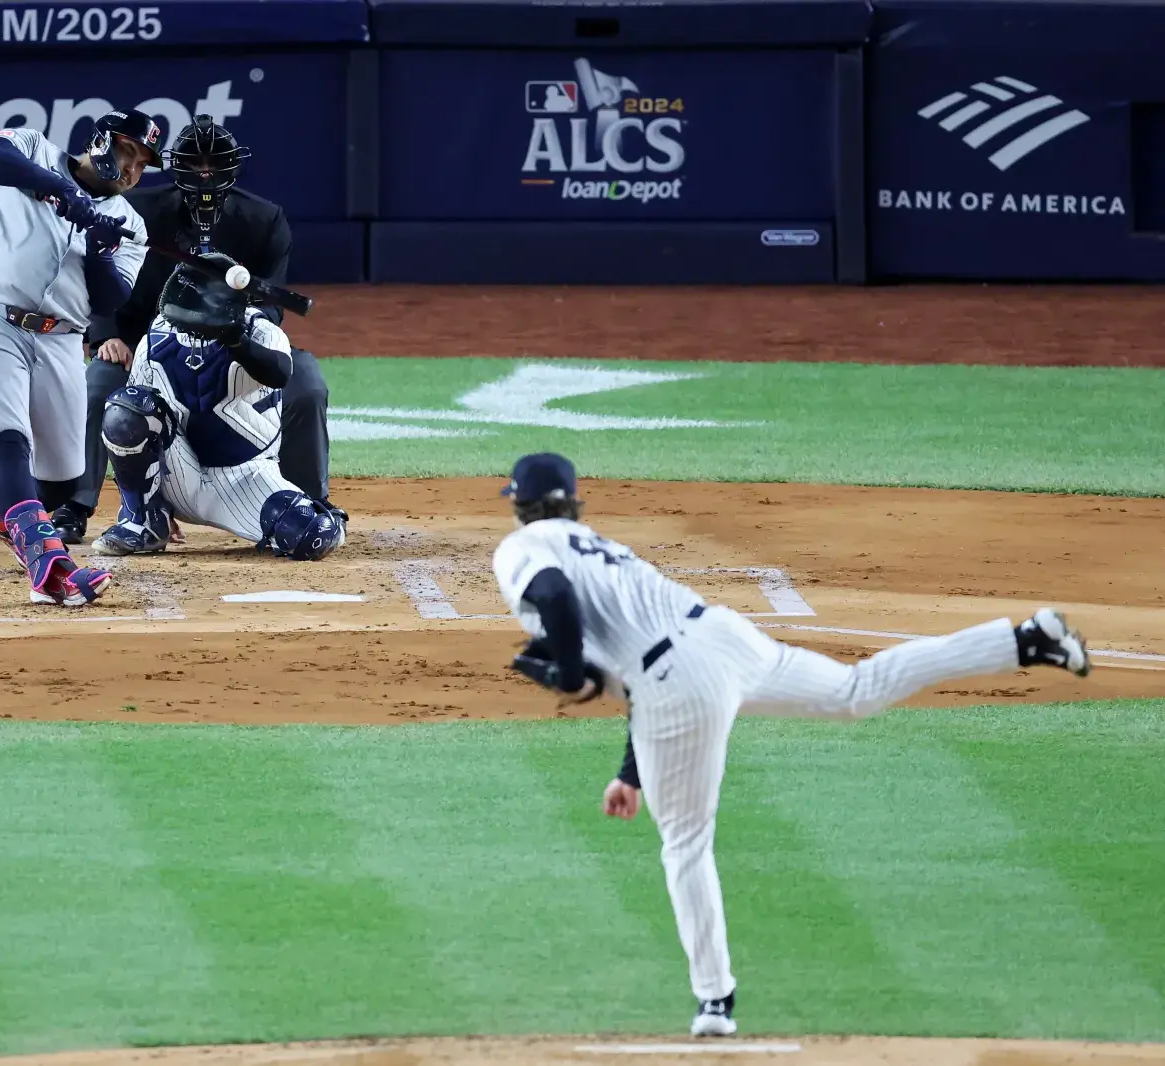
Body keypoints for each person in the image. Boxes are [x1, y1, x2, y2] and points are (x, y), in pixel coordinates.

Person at [492, 452, 1092, 1038]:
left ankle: (715, 999)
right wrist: (633, 771)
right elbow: (634, 662)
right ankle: (1026, 641)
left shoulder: (521, 548)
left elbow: (557, 601)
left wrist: (569, 675)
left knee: (685, 844)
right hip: (727, 641)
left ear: (520, 505)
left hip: (676, 682)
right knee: (856, 690)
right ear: (573, 503)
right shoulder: (598, 546)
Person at [51, 114, 339, 545]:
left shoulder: (264, 220)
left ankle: (310, 497)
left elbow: (271, 310)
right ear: (176, 164)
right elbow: (96, 274)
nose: (205, 172)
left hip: (233, 346)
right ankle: (76, 506)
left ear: (233, 164)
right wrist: (105, 333)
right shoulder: (137, 211)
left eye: (214, 161)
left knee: (307, 384)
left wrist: (237, 338)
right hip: (145, 351)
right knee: (97, 385)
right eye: (195, 161)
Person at [0, 109, 163, 605]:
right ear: (102, 140)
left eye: (143, 164)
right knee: (8, 444)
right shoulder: (33, 147)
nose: (132, 169)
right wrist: (61, 190)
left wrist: (100, 249)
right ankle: (52, 573)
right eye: (128, 151)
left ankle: (11, 517)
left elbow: (109, 300)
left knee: (64, 481)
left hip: (61, 339)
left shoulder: (129, 223)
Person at [93, 252, 344, 561]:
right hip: (181, 475)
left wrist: (234, 339)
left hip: (245, 478)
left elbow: (278, 373)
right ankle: (143, 520)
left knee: (314, 535)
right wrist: (154, 498)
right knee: (126, 411)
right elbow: (141, 425)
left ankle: (314, 510)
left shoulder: (262, 332)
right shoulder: (157, 336)